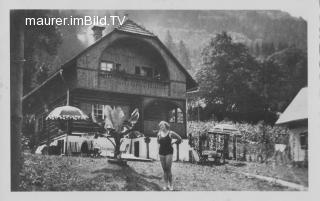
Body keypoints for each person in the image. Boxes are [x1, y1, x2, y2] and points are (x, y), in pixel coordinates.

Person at [157, 121, 182, 191]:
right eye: (160, 126)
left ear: (165, 126)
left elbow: (179, 138)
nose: (161, 127)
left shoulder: (170, 133)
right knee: (164, 169)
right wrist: (157, 151)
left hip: (169, 152)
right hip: (161, 152)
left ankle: (171, 185)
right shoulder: (158, 134)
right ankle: (165, 185)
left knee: (168, 169)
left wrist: (173, 142)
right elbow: (158, 142)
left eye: (162, 125)